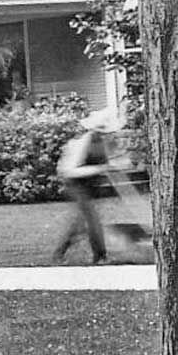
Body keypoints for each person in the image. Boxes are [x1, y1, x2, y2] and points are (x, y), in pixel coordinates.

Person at [52, 108, 121, 265]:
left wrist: (114, 166)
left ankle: (59, 253)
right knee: (92, 219)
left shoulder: (101, 141)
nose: (106, 134)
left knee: (81, 222)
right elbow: (69, 171)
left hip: (90, 185)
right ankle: (100, 257)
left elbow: (105, 162)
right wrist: (99, 169)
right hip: (76, 185)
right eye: (103, 130)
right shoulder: (83, 142)